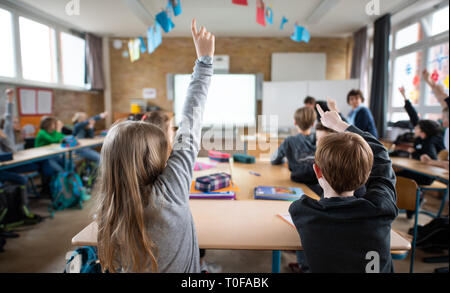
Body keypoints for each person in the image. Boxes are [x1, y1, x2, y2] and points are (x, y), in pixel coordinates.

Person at [94, 19, 215, 273]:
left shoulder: (109, 208)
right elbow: (191, 123)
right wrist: (204, 62)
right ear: (155, 157)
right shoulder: (170, 193)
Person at [289, 104, 398, 273]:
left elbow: (381, 157)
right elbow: (381, 155)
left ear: (317, 171)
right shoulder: (382, 208)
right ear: (368, 172)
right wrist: (340, 125)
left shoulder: (302, 211)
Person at [142, 110, 221, 273]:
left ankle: (201, 262)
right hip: (171, 231)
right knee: (197, 223)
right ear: (163, 132)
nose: (175, 131)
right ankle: (201, 264)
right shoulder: (170, 166)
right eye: (172, 128)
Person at [271, 107, 316, 172]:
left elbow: (274, 160)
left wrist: (285, 160)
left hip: (296, 179)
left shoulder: (289, 141)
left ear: (295, 123)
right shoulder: (321, 140)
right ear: (313, 124)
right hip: (317, 180)